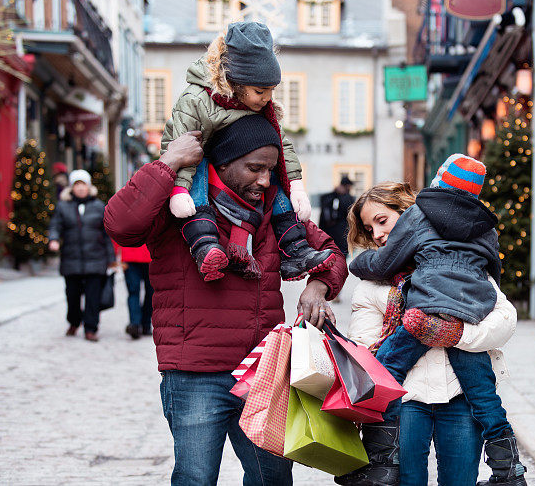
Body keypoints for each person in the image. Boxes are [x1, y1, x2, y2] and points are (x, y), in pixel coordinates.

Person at [104, 120, 348, 486]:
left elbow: (331, 253)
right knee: (196, 478)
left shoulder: (277, 215)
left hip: (263, 370)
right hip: (194, 374)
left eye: (270, 169)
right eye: (254, 168)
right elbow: (121, 225)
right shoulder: (178, 208)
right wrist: (168, 163)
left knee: (273, 479)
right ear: (223, 162)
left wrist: (317, 286)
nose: (265, 181)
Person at [340, 181, 519, 486]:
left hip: (461, 398)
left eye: (382, 221)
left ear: (410, 215)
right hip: (406, 404)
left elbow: (505, 320)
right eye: (370, 229)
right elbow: (364, 348)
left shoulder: (464, 265)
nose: (378, 234)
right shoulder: (372, 285)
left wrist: (454, 334)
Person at [162, 20, 335, 282]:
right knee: (197, 171)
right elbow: (183, 147)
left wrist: (296, 185)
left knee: (273, 177)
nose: (267, 97)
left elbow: (281, 142)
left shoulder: (259, 105)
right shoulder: (196, 100)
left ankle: (295, 250)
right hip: (195, 158)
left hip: (232, 158)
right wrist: (178, 190)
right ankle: (204, 244)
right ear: (236, 82)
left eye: (271, 90)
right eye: (260, 91)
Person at [48, 169, 116, 342]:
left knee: (93, 297)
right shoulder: (63, 206)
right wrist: (54, 239)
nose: (80, 188)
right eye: (77, 185)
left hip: (96, 260)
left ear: (88, 187)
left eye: (83, 185)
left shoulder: (99, 206)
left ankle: (90, 328)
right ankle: (74, 321)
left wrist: (111, 259)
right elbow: (55, 225)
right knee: (72, 296)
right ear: (72, 188)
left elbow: (107, 234)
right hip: (71, 259)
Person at [116, 243, 153, 339]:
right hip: (148, 254)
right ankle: (143, 325)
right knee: (149, 292)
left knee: (135, 292)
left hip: (132, 253)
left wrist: (115, 252)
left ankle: (136, 323)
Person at [319, 176, 355, 257]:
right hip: (333, 234)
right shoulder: (333, 197)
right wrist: (335, 193)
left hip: (340, 235)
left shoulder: (347, 197)